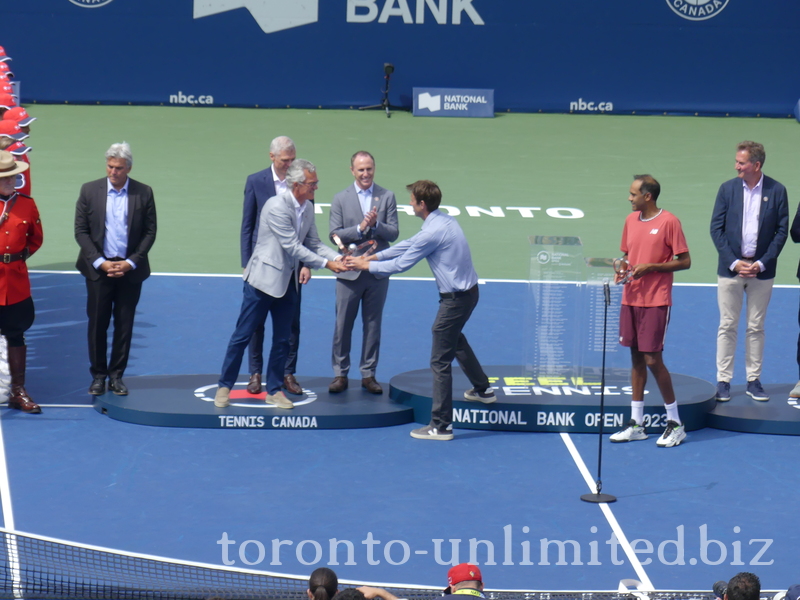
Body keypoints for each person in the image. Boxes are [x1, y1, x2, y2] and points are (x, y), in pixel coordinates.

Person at [346, 180, 493, 441]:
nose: (410, 204)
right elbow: (409, 244)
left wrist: (366, 267)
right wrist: (372, 257)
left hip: (455, 300)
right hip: (469, 294)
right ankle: (482, 389)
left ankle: (441, 425)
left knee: (440, 359)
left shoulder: (432, 233)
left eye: (412, 200)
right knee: (454, 339)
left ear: (422, 204)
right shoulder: (444, 221)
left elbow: (403, 263)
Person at [216, 159, 347, 409]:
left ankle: (274, 390)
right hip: (262, 282)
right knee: (242, 336)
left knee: (283, 339)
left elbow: (314, 242)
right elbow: (293, 246)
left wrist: (338, 257)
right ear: (297, 185)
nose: (316, 187)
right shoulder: (275, 206)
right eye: (312, 183)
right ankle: (225, 386)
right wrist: (328, 265)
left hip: (288, 283)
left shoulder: (307, 207)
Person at [609, 175, 690, 448]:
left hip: (656, 300)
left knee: (653, 360)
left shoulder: (670, 222)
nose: (629, 198)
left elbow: (685, 261)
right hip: (630, 298)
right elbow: (629, 256)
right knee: (635, 358)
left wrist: (653, 266)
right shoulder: (630, 221)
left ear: (648, 196)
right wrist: (622, 265)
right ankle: (636, 424)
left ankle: (676, 423)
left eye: (633, 194)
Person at [74, 142, 157, 396]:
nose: (113, 172)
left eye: (118, 168)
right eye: (110, 166)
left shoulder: (144, 192)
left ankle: (116, 376)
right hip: (99, 270)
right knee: (97, 324)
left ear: (128, 168)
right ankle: (98, 376)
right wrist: (101, 261)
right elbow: (81, 231)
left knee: (124, 325)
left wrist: (131, 261)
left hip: (130, 272)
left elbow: (150, 231)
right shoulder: (90, 191)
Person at [710, 141, 788, 402]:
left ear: (756, 165)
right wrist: (734, 262)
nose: (736, 166)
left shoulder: (777, 191)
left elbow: (781, 231)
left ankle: (753, 380)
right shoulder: (727, 189)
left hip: (761, 272)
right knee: (727, 325)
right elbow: (716, 229)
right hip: (731, 270)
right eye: (736, 161)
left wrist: (761, 263)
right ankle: (723, 381)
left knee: (756, 327)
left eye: (741, 163)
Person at [240, 136, 308, 396]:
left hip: (291, 267)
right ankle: (255, 373)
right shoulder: (256, 181)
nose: (289, 165)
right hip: (261, 266)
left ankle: (286, 373)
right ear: (271, 157)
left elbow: (306, 229)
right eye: (284, 161)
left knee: (291, 322)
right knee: (256, 322)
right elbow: (247, 226)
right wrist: (246, 264)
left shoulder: (301, 181)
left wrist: (305, 264)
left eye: (292, 160)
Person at [328, 151, 398, 394]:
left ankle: (368, 374)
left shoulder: (387, 196)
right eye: (361, 170)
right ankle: (340, 373)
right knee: (342, 324)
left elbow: (393, 233)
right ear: (352, 171)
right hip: (348, 273)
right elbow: (334, 234)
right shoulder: (340, 199)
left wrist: (376, 225)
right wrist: (360, 228)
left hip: (376, 272)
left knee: (372, 324)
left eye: (369, 168)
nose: (366, 173)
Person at [0, 151, 42, 413]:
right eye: (7, 178)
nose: (13, 180)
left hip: (14, 281)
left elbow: (35, 239)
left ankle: (18, 390)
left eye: (14, 176)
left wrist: (15, 260)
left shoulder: (26, 204)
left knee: (16, 333)